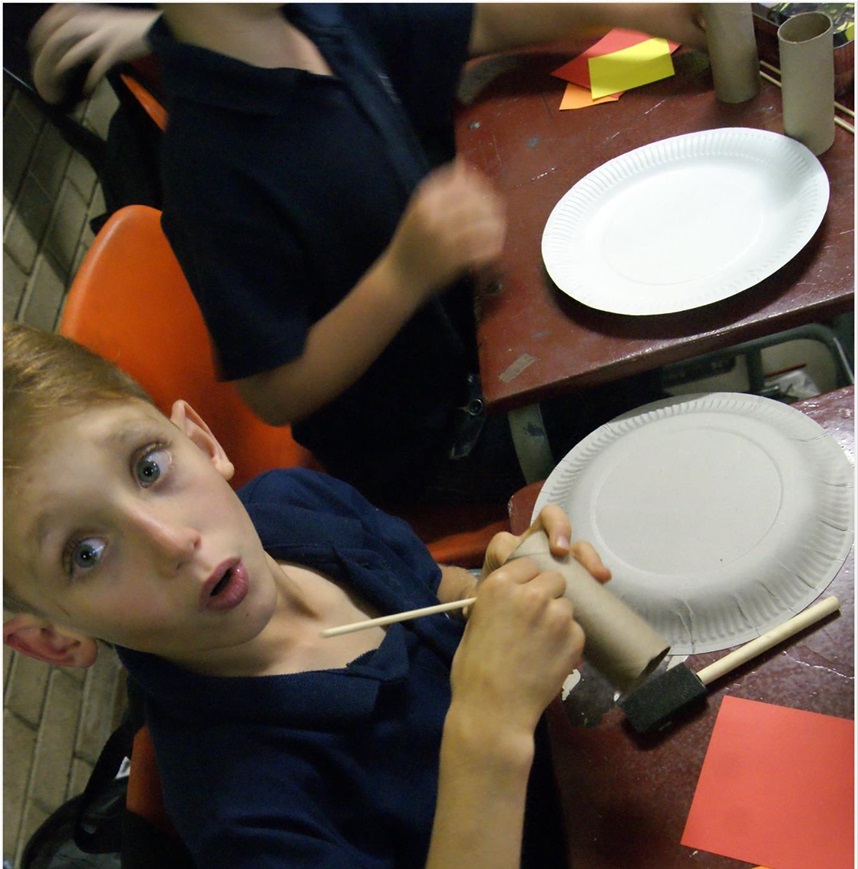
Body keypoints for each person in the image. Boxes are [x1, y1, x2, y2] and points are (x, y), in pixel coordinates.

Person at [4, 321, 612, 869]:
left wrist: (500, 588)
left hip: (602, 767)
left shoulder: (294, 506)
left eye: (149, 467)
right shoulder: (237, 806)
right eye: (84, 554)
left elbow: (437, 589)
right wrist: (485, 734)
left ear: (199, 440)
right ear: (52, 639)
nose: (173, 541)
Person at [27, 3, 707, 505]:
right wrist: (402, 275)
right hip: (437, 440)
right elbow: (273, 390)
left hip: (484, 330)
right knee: (642, 379)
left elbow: (480, 21)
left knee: (650, 263)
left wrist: (642, 12)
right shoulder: (212, 170)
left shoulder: (320, 18)